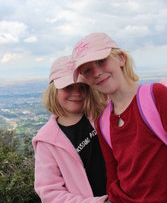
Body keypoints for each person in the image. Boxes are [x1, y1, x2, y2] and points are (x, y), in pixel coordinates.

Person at [72, 32, 167, 203]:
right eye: (87, 70)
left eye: (101, 61)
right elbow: (113, 175)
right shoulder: (103, 122)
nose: (97, 73)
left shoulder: (156, 96)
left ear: (121, 58)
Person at [32, 55, 109, 203]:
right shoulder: (47, 141)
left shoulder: (101, 114)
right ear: (54, 90)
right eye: (68, 87)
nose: (77, 93)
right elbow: (50, 192)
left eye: (82, 87)